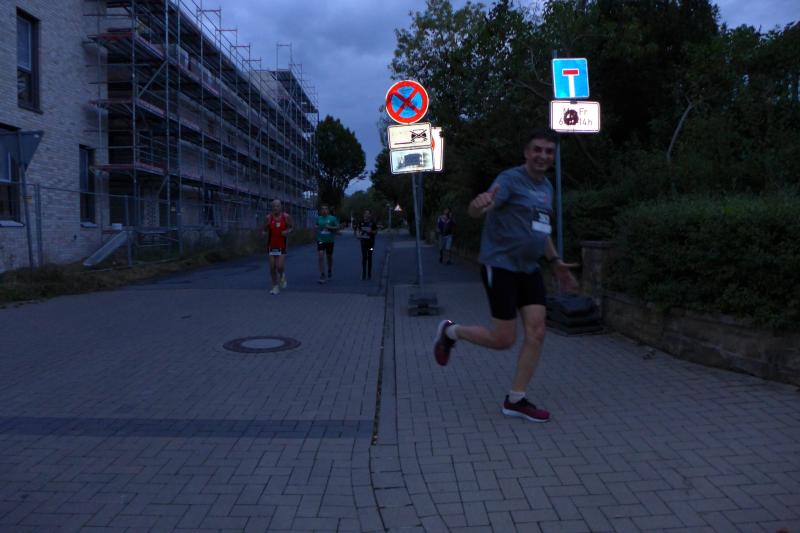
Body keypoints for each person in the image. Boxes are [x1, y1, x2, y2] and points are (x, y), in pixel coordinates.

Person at [432, 128, 579, 423]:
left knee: (537, 332)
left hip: (529, 268)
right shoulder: (510, 180)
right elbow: (483, 206)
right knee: (503, 339)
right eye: (537, 149)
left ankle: (516, 400)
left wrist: (555, 261)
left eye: (549, 151)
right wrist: (477, 206)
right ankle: (450, 332)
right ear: (526, 152)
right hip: (500, 266)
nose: (542, 156)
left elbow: (541, 229)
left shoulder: (547, 187)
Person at [262, 199, 293, 295]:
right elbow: (264, 229)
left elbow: (291, 227)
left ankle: (282, 275)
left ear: (281, 207)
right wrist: (263, 233)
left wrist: (287, 231)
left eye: (277, 206)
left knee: (279, 266)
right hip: (271, 245)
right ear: (272, 207)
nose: (276, 208)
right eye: (274, 206)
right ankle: (275, 286)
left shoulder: (286, 217)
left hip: (282, 245)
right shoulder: (268, 217)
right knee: (272, 267)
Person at [315, 204, 339, 283]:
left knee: (329, 257)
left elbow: (337, 227)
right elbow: (316, 225)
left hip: (330, 241)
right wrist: (316, 228)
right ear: (321, 211)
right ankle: (322, 274)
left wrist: (330, 227)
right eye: (322, 209)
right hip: (321, 239)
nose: (324, 210)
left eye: (325, 209)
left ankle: (329, 269)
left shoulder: (332, 218)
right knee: (320, 256)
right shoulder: (318, 218)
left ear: (328, 210)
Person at [354, 209, 378, 280]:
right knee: (364, 257)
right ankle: (364, 274)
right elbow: (358, 230)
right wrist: (358, 235)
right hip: (363, 243)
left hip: (371, 243)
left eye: (368, 213)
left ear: (370, 215)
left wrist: (371, 231)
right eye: (365, 213)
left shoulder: (372, 223)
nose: (366, 215)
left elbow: (376, 232)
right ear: (363, 214)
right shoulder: (361, 222)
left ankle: (369, 274)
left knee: (370, 257)